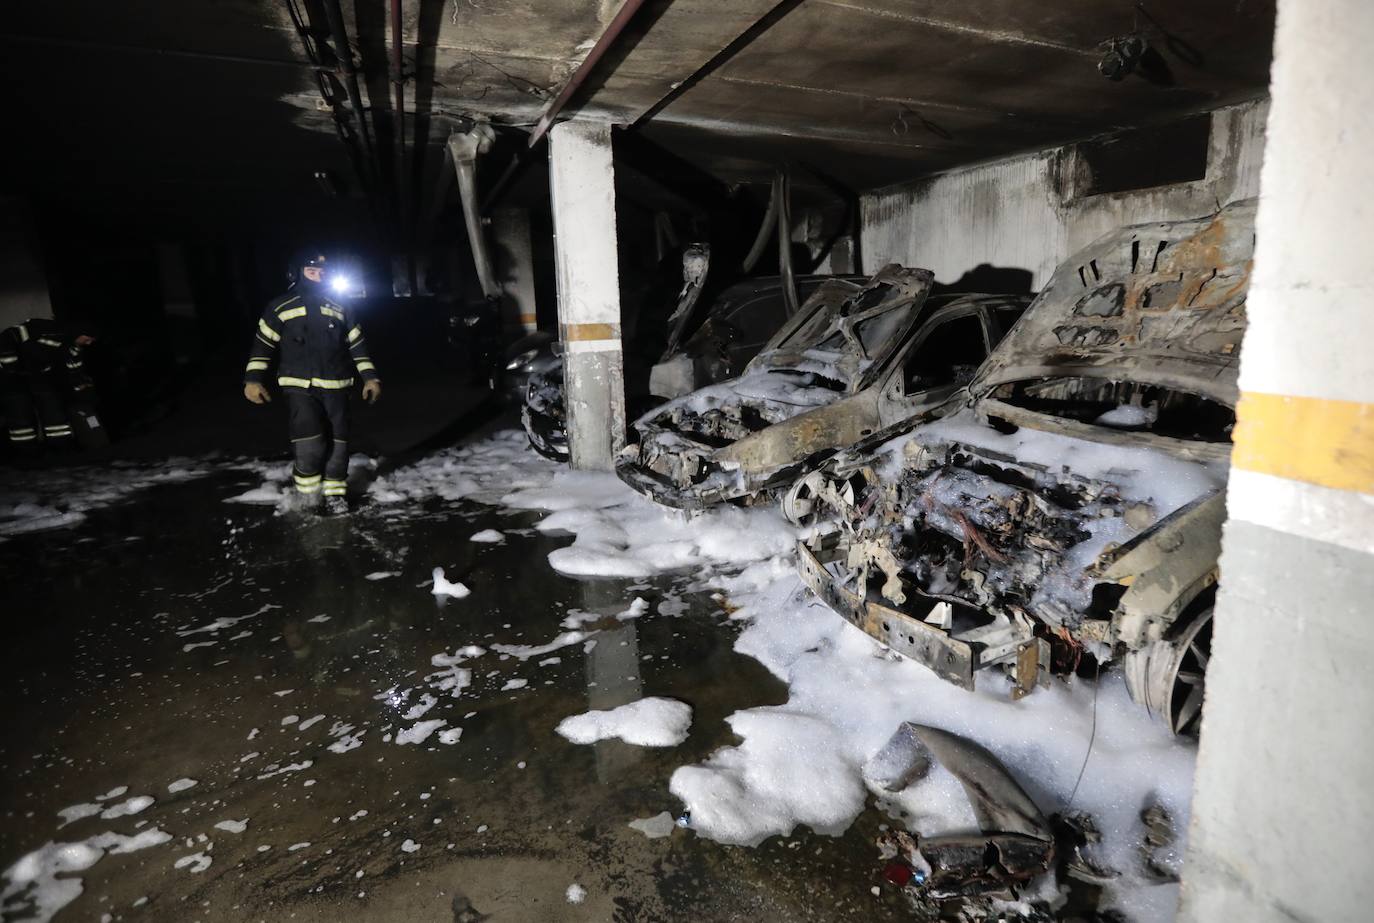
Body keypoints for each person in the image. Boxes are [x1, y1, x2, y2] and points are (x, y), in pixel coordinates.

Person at [243, 250, 381, 514]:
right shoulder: (280, 306)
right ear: (296, 272)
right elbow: (262, 346)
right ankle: (308, 496)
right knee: (311, 442)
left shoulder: (341, 306)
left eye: (322, 272)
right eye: (312, 271)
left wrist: (370, 378)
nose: (318, 275)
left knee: (339, 444)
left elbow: (358, 346)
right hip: (300, 386)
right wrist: (253, 380)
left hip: (338, 386)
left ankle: (335, 495)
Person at [0, 318, 101, 455]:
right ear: (79, 333)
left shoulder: (73, 348)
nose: (88, 343)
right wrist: (11, 366)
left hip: (40, 375)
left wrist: (83, 392)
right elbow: (8, 337)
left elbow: (75, 371)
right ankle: (25, 451)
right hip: (12, 376)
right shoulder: (47, 329)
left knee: (52, 408)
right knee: (20, 413)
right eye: (88, 339)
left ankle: (61, 448)